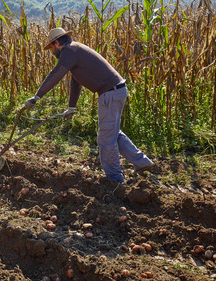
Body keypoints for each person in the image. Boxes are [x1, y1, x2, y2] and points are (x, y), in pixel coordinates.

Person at [24, 27, 154, 183]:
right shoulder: (76, 51)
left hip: (110, 93)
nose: (51, 52)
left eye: (51, 47)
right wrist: (71, 108)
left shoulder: (69, 51)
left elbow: (56, 74)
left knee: (105, 139)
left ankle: (114, 180)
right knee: (112, 133)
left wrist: (37, 97)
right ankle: (142, 162)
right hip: (115, 91)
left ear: (57, 42)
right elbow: (75, 83)